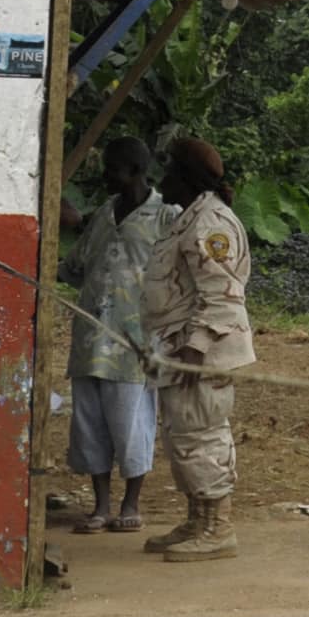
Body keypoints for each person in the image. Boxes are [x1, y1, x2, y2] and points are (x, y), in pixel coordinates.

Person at [141, 137, 255, 561]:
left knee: (203, 435)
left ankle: (218, 527)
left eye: (168, 170)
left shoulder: (210, 224)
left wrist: (195, 349)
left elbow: (223, 295)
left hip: (202, 354)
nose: (161, 179)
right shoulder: (187, 219)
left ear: (186, 178)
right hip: (176, 348)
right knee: (183, 437)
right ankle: (198, 518)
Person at [61, 138, 167, 533]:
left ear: (137, 171)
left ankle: (130, 503)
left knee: (131, 422)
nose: (106, 175)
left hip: (135, 342)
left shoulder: (166, 217)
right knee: (90, 423)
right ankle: (101, 505)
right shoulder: (104, 214)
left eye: (114, 168)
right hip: (91, 336)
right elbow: (75, 266)